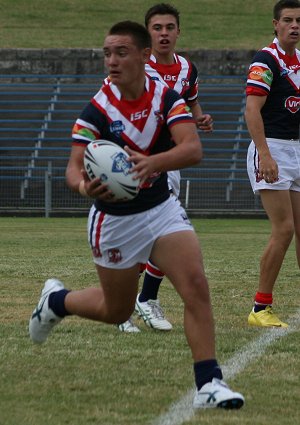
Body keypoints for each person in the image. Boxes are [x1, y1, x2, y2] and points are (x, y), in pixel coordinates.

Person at [29, 20, 244, 409]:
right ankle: (57, 302)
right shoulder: (97, 109)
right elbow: (73, 168)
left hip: (161, 210)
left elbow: (192, 148)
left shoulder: (165, 98)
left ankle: (209, 384)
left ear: (145, 56)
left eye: (121, 52)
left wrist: (152, 163)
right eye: (107, 53)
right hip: (114, 221)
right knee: (117, 310)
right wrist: (82, 187)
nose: (111, 60)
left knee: (195, 285)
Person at [119, 3, 213, 333]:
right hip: (136, 162)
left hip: (169, 162)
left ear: (178, 32)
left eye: (169, 27)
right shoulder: (136, 68)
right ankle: (128, 305)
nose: (163, 34)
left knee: (164, 234)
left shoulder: (187, 68)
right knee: (140, 235)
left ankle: (143, 299)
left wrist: (199, 118)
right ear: (148, 34)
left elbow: (190, 102)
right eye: (157, 28)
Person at [245, 0, 300, 328]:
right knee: (284, 229)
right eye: (289, 20)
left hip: (296, 149)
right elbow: (252, 110)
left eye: (299, 21)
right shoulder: (266, 60)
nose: (295, 25)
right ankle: (260, 307)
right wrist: (265, 154)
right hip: (273, 149)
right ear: (275, 25)